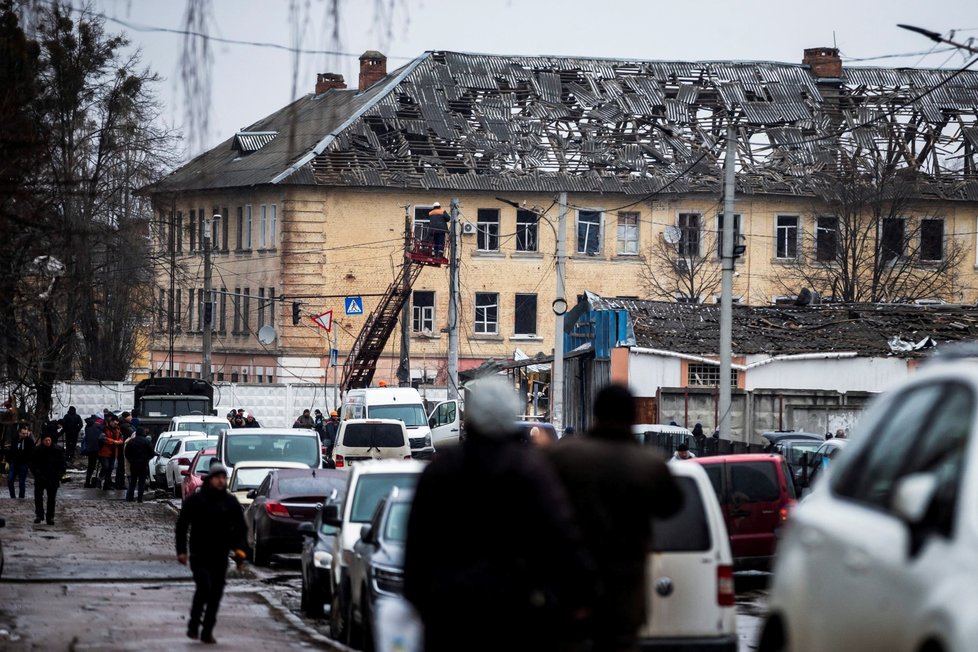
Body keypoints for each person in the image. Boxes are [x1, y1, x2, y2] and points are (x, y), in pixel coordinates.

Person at [404, 377, 595, 652]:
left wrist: (418, 597)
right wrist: (580, 593)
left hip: (451, 613)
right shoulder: (530, 471)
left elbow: (418, 541)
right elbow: (561, 533)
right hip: (516, 610)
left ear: (470, 419)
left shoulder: (442, 470)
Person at [547, 384, 683, 652]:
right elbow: (671, 506)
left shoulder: (562, 457)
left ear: (595, 414)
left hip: (569, 591)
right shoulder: (648, 465)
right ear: (632, 417)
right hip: (623, 596)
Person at [176, 462, 248, 644]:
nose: (221, 481)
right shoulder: (196, 501)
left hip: (220, 555)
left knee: (215, 594)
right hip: (199, 553)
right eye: (218, 478)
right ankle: (194, 623)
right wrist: (182, 551)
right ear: (210, 479)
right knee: (204, 587)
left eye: (224, 478)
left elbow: (240, 527)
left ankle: (207, 630)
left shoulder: (230, 502)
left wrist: (240, 548)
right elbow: (182, 525)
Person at [30, 432, 66, 525]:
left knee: (51, 499)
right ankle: (39, 515)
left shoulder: (57, 450)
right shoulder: (37, 450)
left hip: (53, 477)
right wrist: (37, 473)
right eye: (46, 440)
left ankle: (50, 517)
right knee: (38, 497)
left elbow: (62, 464)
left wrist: (59, 474)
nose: (48, 442)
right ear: (43, 441)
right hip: (40, 477)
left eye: (49, 440)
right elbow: (32, 464)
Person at [125, 428, 155, 502]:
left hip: (133, 464)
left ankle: (130, 498)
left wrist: (131, 460)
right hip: (143, 464)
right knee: (141, 482)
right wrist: (147, 459)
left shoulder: (131, 442)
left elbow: (126, 453)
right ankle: (140, 498)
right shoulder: (146, 442)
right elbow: (152, 453)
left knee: (133, 481)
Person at [8, 425, 35, 499]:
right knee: (10, 480)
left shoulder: (29, 441)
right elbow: (11, 451)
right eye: (23, 433)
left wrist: (28, 462)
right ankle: (12, 497)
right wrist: (9, 460)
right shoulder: (15, 439)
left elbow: (32, 453)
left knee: (21, 482)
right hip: (14, 463)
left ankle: (21, 498)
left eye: (26, 433)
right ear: (19, 433)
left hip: (23, 464)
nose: (25, 435)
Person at [99, 415, 124, 490]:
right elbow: (102, 438)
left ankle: (106, 485)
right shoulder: (104, 428)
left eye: (117, 424)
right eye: (115, 423)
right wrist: (114, 442)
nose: (116, 425)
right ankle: (100, 480)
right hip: (105, 452)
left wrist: (119, 442)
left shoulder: (118, 429)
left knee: (110, 468)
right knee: (106, 467)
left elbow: (121, 439)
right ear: (111, 421)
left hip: (113, 452)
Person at [82, 415, 103, 487]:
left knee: (90, 466)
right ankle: (99, 480)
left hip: (90, 449)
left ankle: (87, 482)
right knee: (104, 465)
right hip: (97, 448)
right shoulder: (98, 426)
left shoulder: (87, 426)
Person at [116, 412, 134, 488]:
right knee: (122, 466)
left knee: (120, 466)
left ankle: (119, 483)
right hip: (123, 448)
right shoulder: (125, 425)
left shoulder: (122, 424)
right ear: (126, 417)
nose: (131, 418)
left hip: (120, 447)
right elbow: (133, 433)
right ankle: (120, 484)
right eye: (130, 416)